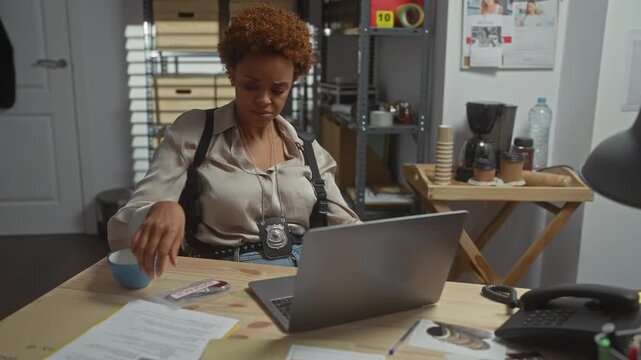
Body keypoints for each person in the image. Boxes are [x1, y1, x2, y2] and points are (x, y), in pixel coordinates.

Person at [107, 4, 359, 278]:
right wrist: (157, 209)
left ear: (293, 81)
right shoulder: (193, 133)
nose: (264, 100)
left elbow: (349, 228)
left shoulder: (309, 151)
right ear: (232, 72)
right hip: (222, 277)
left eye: (278, 90)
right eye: (251, 86)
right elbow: (122, 227)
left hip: (302, 277)